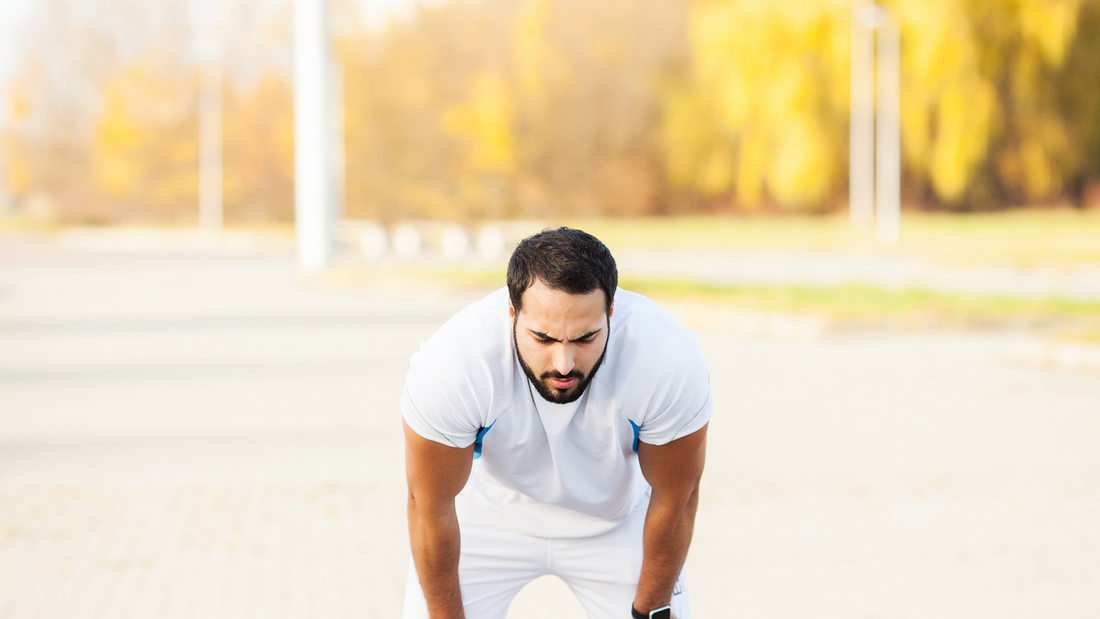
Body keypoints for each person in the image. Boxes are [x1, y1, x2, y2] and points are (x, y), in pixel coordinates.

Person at [401, 227, 712, 619]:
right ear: (512, 312)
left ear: (611, 311)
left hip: (615, 522)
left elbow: (677, 498)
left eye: (585, 338)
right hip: (489, 518)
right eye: (543, 338)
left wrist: (649, 610)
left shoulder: (666, 361)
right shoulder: (455, 368)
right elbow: (430, 507)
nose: (564, 364)